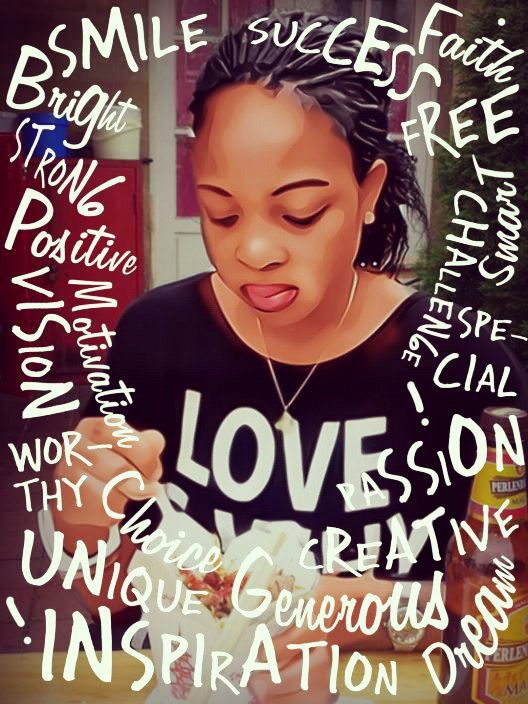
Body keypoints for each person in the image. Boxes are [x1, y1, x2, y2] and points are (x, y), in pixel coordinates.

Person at [49, 10, 527, 703]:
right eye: (221, 212)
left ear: (368, 191)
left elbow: (505, 605)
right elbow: (115, 601)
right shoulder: (155, 337)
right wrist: (82, 526)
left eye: (300, 213)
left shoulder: (462, 365)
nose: (254, 251)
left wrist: (352, 612)